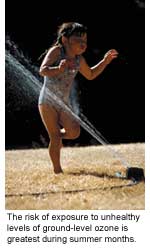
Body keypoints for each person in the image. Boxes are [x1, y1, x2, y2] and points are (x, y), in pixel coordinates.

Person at [38, 22, 118, 174]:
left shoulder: (79, 60)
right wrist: (58, 68)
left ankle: (56, 136)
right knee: (55, 137)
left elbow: (91, 74)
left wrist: (105, 62)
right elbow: (43, 70)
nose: (83, 44)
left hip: (64, 103)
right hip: (47, 102)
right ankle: (57, 170)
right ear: (65, 40)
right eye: (79, 40)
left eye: (85, 41)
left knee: (74, 132)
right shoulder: (56, 51)